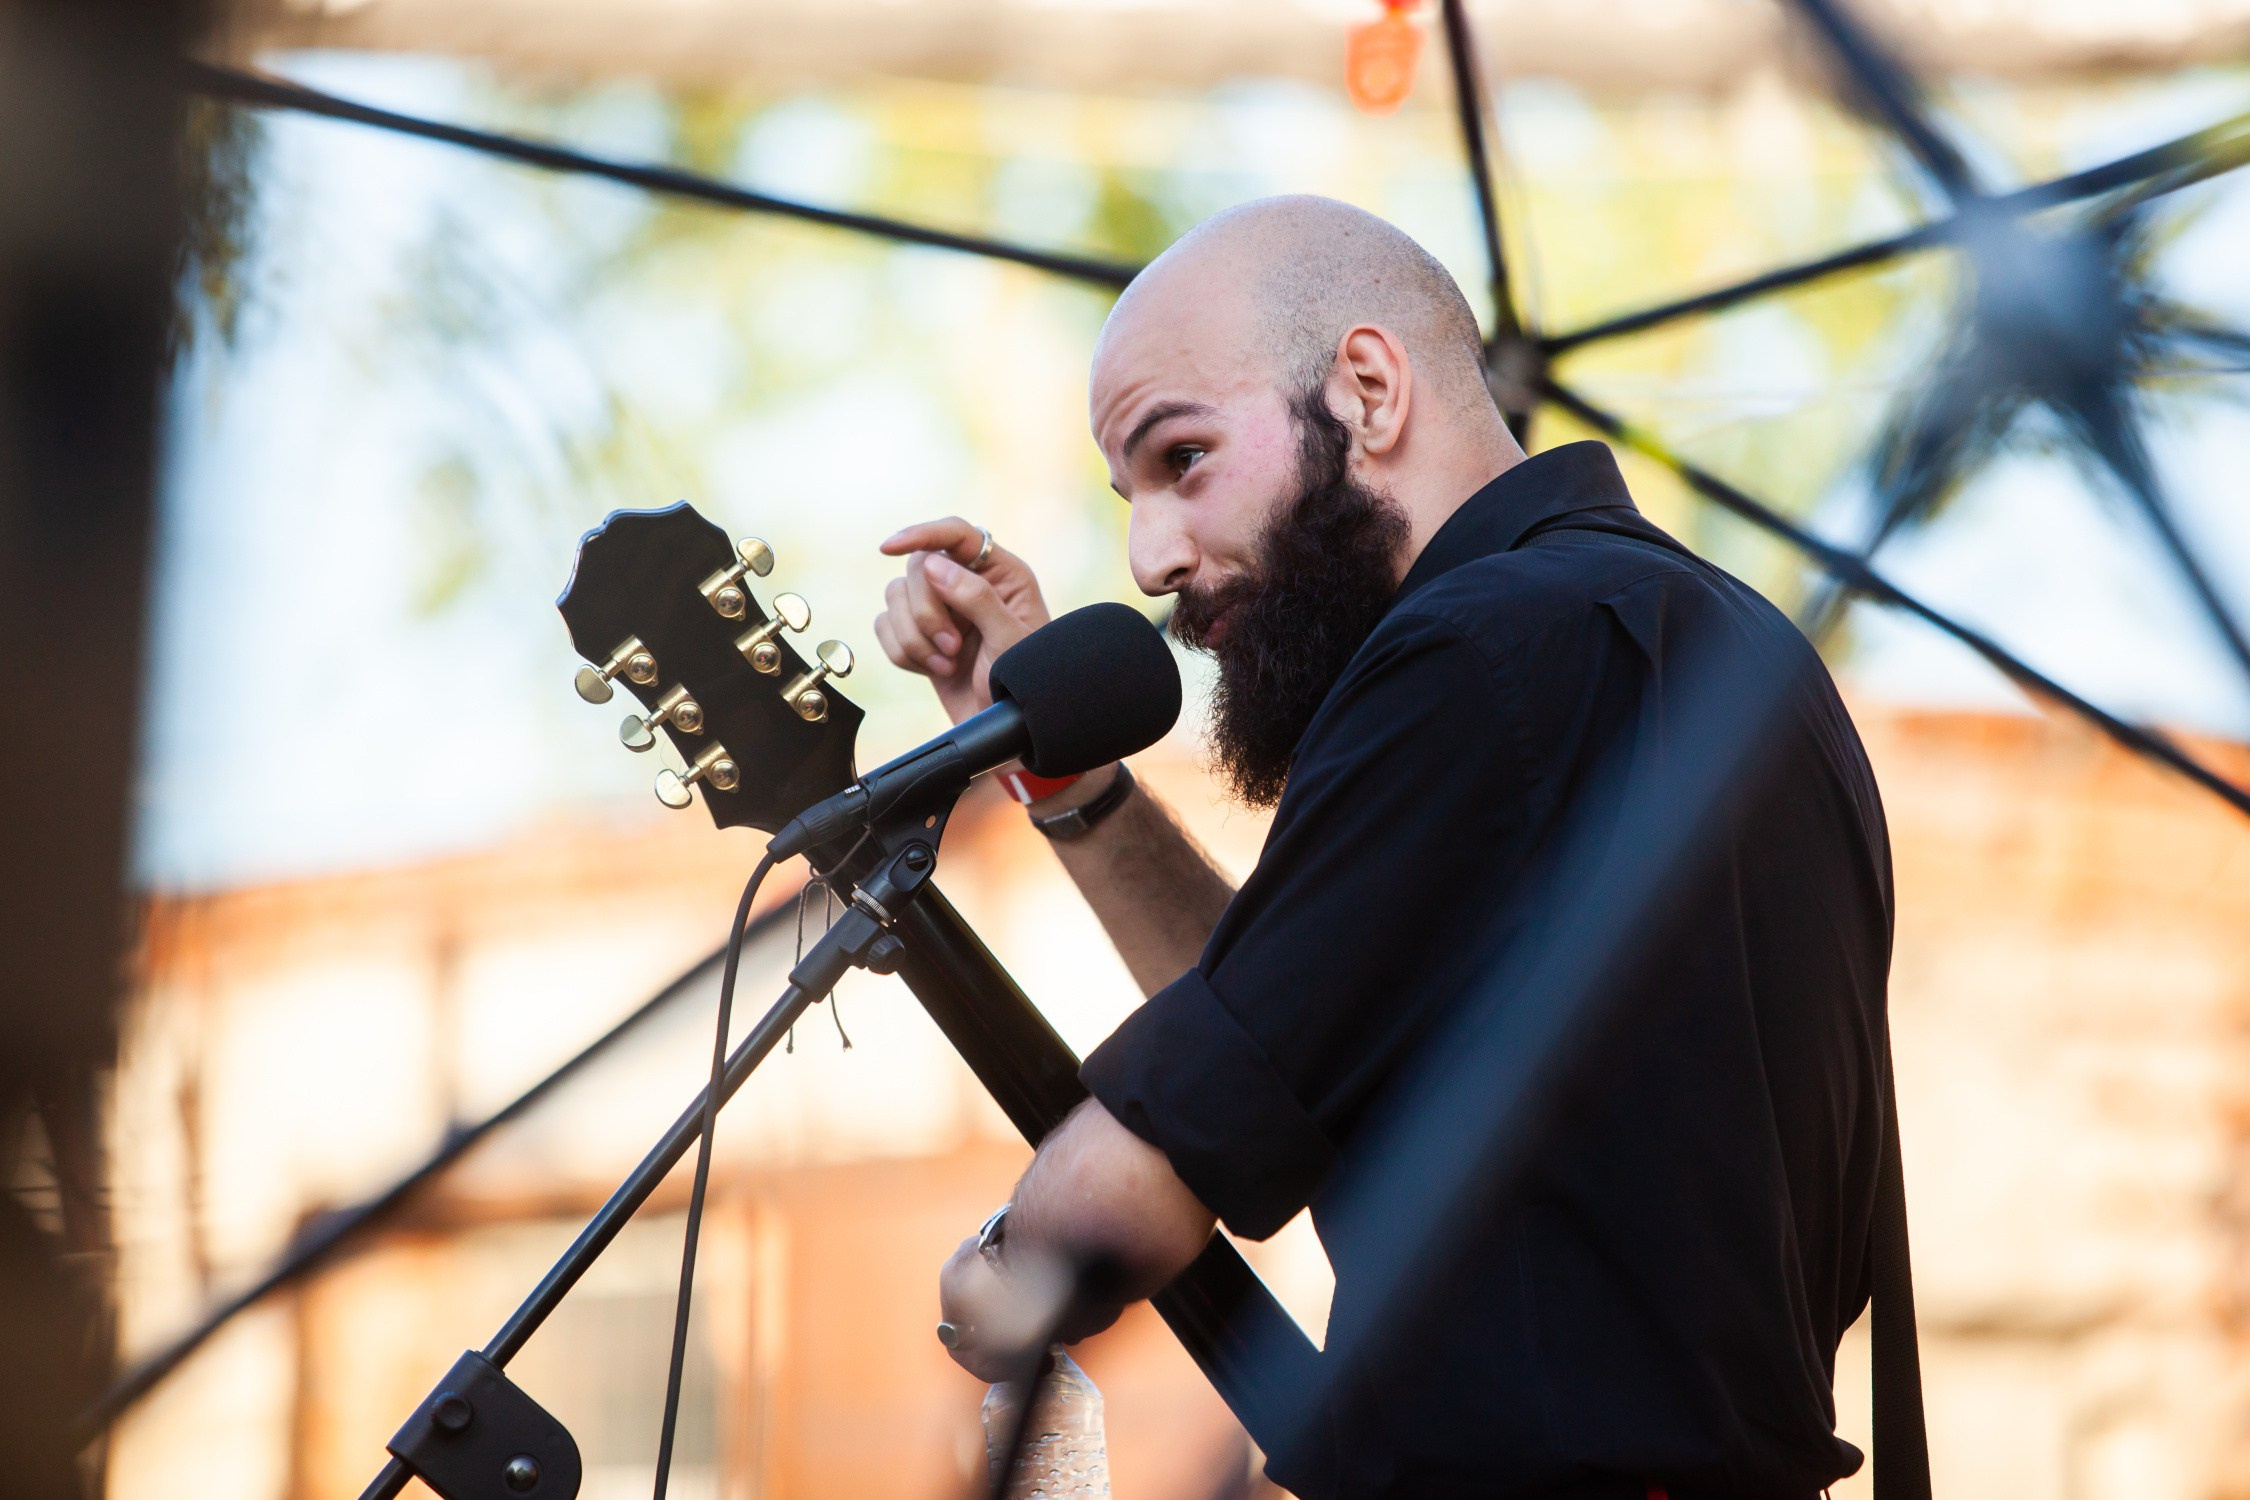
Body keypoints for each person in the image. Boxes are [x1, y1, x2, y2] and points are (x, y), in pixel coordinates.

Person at [872, 196, 1894, 1500]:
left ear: (1366, 388)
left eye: (1182, 458)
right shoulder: (1704, 640)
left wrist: (999, 1269)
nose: (1149, 558)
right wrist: (1061, 776)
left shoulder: (1480, 650)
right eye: (1129, 495)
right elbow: (1281, 1051)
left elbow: (1127, 1196)